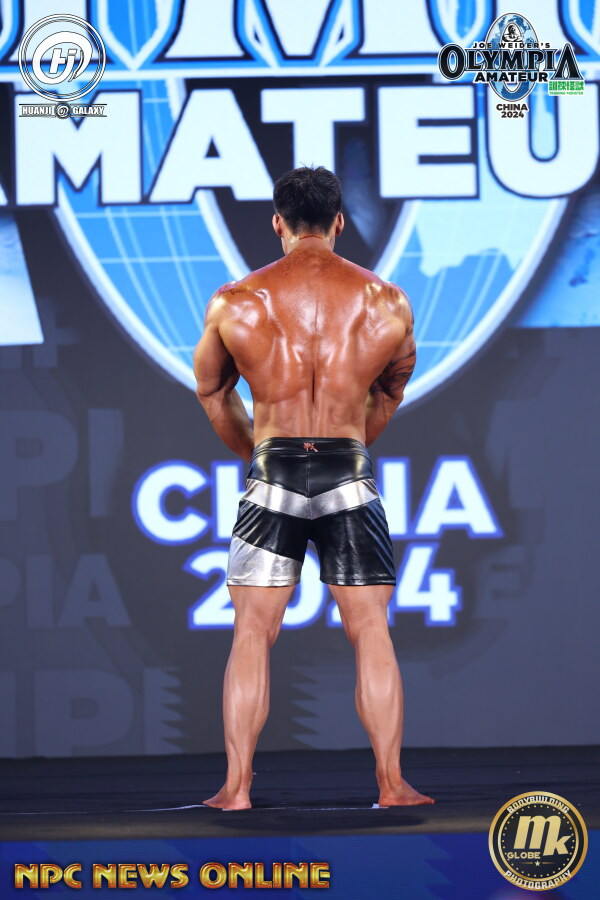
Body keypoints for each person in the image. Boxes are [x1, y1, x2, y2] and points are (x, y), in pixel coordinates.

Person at [193, 165, 434, 810]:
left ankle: (236, 790)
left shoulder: (237, 302)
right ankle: (392, 785)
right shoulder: (387, 302)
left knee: (251, 631)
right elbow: (389, 392)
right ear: (339, 223)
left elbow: (213, 392)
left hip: (273, 468)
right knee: (371, 628)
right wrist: (346, 448)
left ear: (277, 223)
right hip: (348, 470)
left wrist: (262, 455)